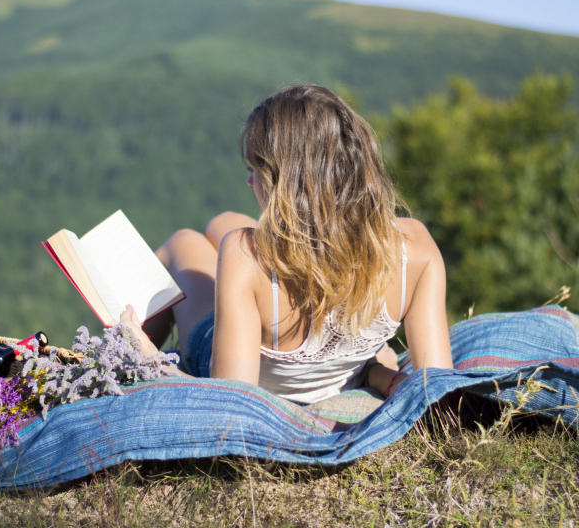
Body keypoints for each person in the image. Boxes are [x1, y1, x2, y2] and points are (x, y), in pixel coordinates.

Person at [120, 84, 453, 404]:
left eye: (256, 169)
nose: (249, 181)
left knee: (183, 243)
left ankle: (129, 335)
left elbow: (227, 405)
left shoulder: (243, 252)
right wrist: (378, 373)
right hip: (341, 350)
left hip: (247, 341)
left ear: (288, 185)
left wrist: (152, 361)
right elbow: (437, 388)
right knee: (221, 221)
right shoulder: (416, 247)